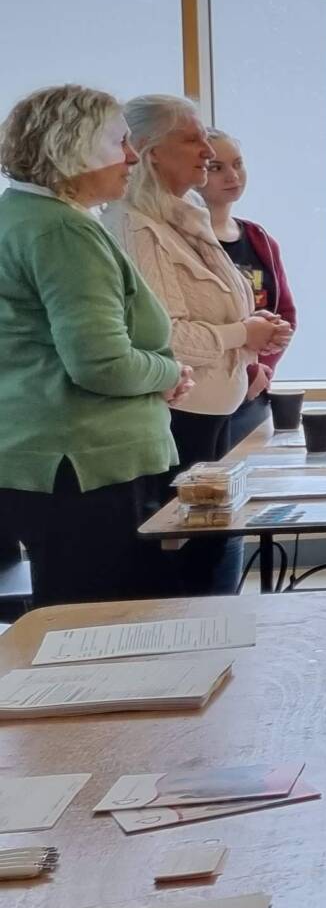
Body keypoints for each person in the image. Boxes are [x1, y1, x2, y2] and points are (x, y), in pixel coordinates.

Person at [0, 85, 189, 606]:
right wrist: (168, 374)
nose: (132, 157)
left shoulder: (20, 212)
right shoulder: (62, 231)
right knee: (101, 634)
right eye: (120, 142)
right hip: (84, 468)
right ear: (72, 147)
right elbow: (100, 363)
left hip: (48, 455)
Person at [111, 94, 289, 594]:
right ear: (149, 152)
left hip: (221, 411)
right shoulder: (135, 227)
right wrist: (240, 335)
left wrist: (257, 338)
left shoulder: (186, 214)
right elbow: (161, 333)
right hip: (180, 416)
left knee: (218, 555)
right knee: (188, 570)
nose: (206, 149)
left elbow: (226, 307)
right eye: (191, 138)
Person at [201, 129, 295, 448]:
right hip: (203, 392)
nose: (232, 175)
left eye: (237, 164)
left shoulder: (259, 239)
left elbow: (284, 313)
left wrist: (260, 372)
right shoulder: (182, 242)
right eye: (216, 167)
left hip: (253, 396)